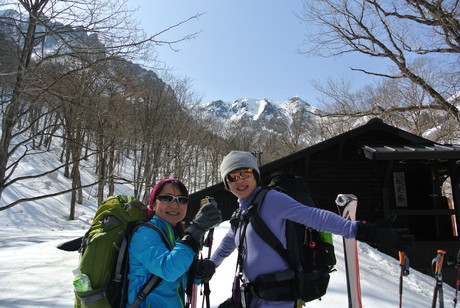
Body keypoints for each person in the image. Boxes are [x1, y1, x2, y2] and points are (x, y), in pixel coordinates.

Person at [211, 151, 414, 308]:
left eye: (245, 173)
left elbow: (315, 217)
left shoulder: (271, 200)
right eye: (232, 177)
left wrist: (364, 231)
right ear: (227, 186)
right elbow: (227, 245)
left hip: (279, 299)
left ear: (255, 175)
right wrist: (209, 266)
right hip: (253, 298)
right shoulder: (240, 216)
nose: (240, 180)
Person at [126, 178, 222, 308]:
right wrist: (196, 230)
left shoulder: (174, 234)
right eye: (166, 198)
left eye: (181, 200)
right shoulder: (145, 234)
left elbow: (175, 278)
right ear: (153, 204)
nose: (175, 204)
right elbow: (168, 270)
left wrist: (196, 274)